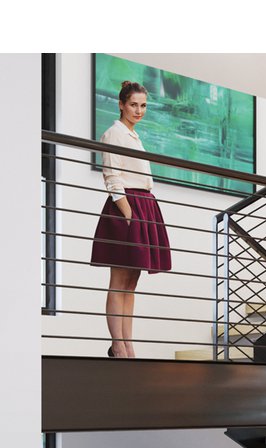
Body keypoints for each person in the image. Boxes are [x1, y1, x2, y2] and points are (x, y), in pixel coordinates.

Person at [90, 80, 172, 358]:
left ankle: (128, 343)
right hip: (127, 207)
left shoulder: (133, 136)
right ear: (122, 105)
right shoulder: (115, 133)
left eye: (143, 105)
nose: (139, 110)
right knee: (119, 279)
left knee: (131, 282)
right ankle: (118, 345)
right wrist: (129, 215)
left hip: (142, 206)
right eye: (134, 105)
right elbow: (113, 177)